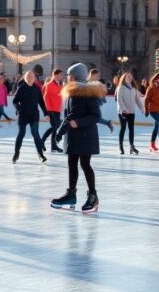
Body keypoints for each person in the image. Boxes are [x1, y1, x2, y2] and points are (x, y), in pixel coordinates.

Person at [50, 63, 103, 213]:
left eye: (68, 74)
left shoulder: (88, 93)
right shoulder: (71, 91)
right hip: (73, 135)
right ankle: (71, 195)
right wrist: (61, 130)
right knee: (72, 163)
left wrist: (78, 123)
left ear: (74, 76)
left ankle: (93, 196)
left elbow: (96, 116)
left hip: (86, 135)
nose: (67, 77)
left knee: (85, 164)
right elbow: (69, 115)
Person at [12, 70, 48, 164]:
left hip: (34, 115)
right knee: (21, 134)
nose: (30, 78)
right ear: (25, 78)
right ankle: (16, 154)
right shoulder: (21, 88)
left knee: (35, 134)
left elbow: (41, 102)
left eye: (32, 76)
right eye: (28, 76)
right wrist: (19, 109)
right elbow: (15, 101)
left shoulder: (36, 88)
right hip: (23, 115)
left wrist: (46, 113)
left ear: (34, 78)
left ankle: (41, 155)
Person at [116, 72, 144, 155]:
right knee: (123, 128)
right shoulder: (121, 87)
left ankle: (132, 146)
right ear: (124, 78)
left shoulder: (134, 88)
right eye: (128, 76)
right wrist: (124, 109)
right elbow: (119, 99)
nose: (130, 78)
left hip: (131, 111)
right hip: (122, 112)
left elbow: (137, 99)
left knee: (131, 129)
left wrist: (142, 108)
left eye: (131, 77)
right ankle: (121, 147)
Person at [41, 69, 65, 153]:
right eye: (60, 75)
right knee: (55, 127)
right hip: (51, 110)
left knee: (55, 127)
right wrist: (48, 110)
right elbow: (46, 98)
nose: (61, 76)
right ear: (55, 75)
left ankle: (42, 141)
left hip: (57, 109)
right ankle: (53, 146)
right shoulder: (49, 85)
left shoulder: (59, 85)